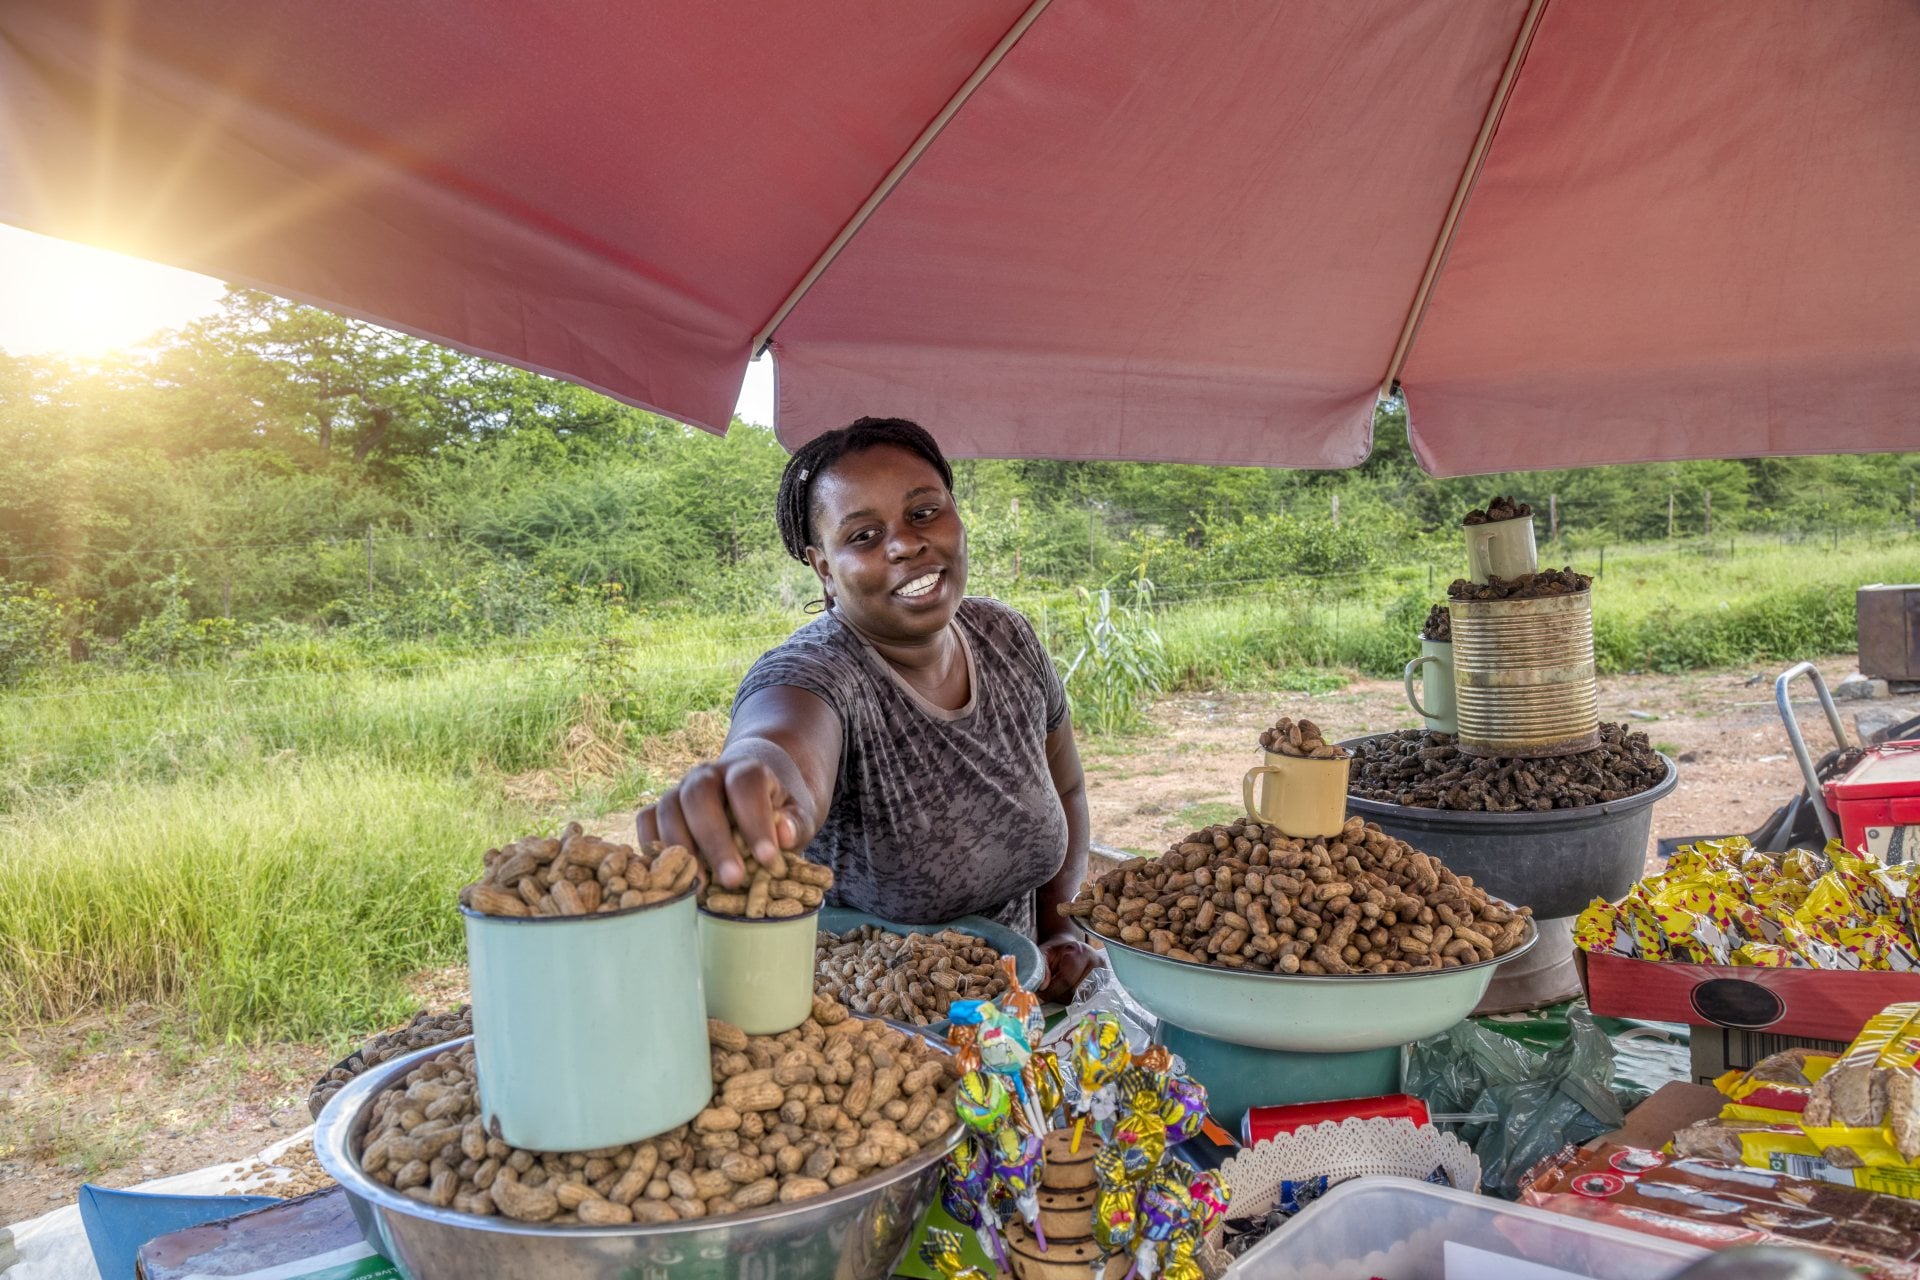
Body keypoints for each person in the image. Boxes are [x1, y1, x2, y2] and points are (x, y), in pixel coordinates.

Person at [638, 417, 1096, 1001]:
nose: (905, 543)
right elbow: (781, 740)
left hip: (1017, 1018)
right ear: (824, 568)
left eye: (924, 513)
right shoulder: (817, 673)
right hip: (879, 1039)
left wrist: (1055, 932)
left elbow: (1070, 790)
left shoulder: (1006, 637)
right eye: (862, 536)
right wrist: (753, 779)